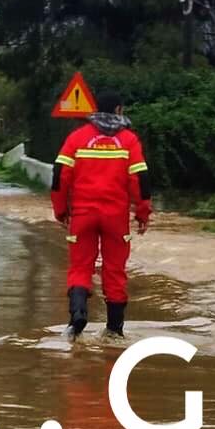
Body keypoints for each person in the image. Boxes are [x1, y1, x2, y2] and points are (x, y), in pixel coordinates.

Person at [49, 90, 153, 337]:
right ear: (119, 110)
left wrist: (61, 209)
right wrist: (142, 212)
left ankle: (77, 318)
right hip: (115, 218)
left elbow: (59, 175)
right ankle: (114, 331)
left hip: (83, 215)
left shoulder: (77, 138)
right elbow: (140, 179)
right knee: (114, 270)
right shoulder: (129, 141)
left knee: (80, 267)